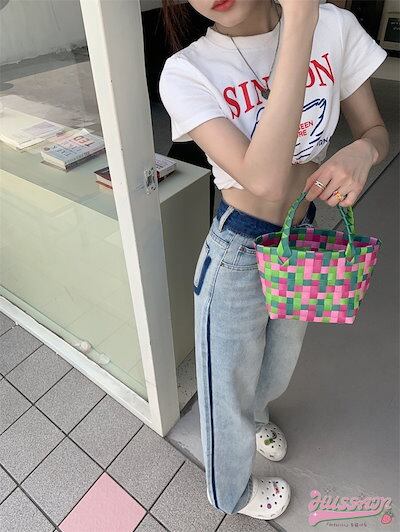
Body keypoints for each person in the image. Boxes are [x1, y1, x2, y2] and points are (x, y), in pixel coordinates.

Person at [159, 0, 389, 521]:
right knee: (227, 389)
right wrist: (300, 19)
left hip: (301, 240)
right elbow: (261, 179)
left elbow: (375, 130)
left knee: (278, 366)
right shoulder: (187, 71)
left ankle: (258, 416)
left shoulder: (335, 26)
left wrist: (363, 152)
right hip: (237, 250)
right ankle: (231, 493)